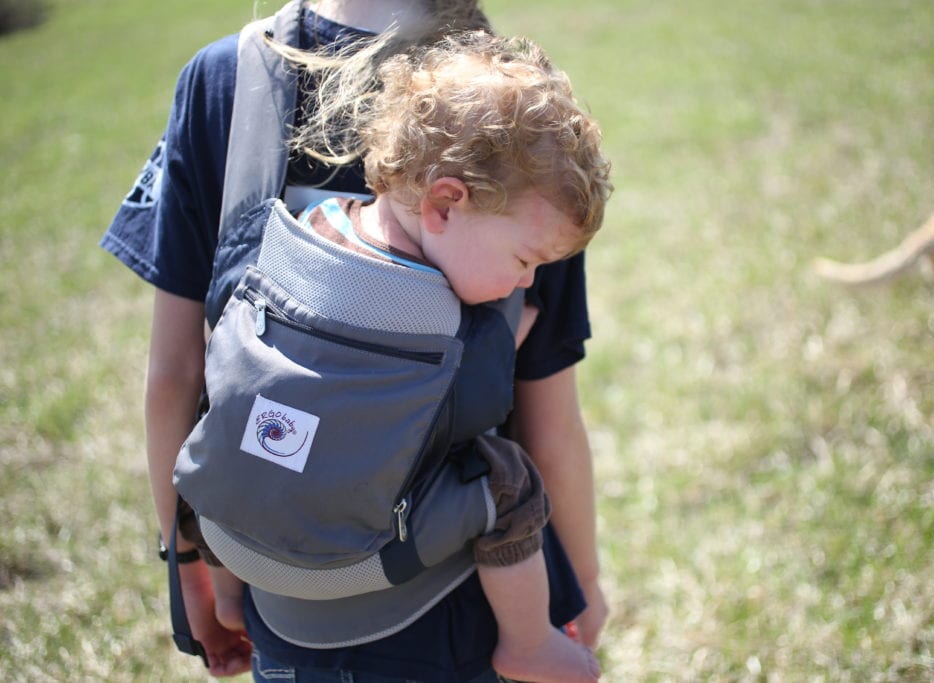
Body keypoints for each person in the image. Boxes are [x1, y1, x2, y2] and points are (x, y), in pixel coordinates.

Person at [100, 2, 608, 680]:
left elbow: (177, 371)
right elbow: (546, 415)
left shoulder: (225, 80)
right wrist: (580, 582)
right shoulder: (523, 124)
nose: (529, 275)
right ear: (444, 201)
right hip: (453, 616)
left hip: (275, 600)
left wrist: (187, 558)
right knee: (503, 484)